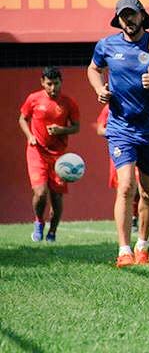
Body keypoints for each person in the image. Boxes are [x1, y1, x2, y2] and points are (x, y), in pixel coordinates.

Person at [87, 0, 149, 268]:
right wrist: (100, 89)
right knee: (126, 186)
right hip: (120, 128)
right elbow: (93, 69)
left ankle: (143, 245)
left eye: (132, 14)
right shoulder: (106, 45)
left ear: (142, 16)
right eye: (123, 15)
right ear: (118, 19)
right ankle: (124, 249)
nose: (128, 20)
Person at [19, 67, 80, 243]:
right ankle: (39, 222)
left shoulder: (69, 103)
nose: (53, 88)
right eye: (49, 84)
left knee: (57, 196)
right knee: (40, 193)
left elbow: (76, 127)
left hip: (59, 156)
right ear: (42, 83)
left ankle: (52, 232)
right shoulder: (33, 99)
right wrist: (30, 136)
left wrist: (63, 130)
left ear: (61, 82)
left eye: (56, 83)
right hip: (36, 151)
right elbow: (22, 118)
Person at [97, 104, 140, 234]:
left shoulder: (138, 103)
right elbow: (100, 129)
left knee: (138, 187)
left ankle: (134, 217)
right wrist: (117, 133)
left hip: (140, 149)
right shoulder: (109, 107)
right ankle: (127, 221)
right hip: (120, 150)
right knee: (124, 187)